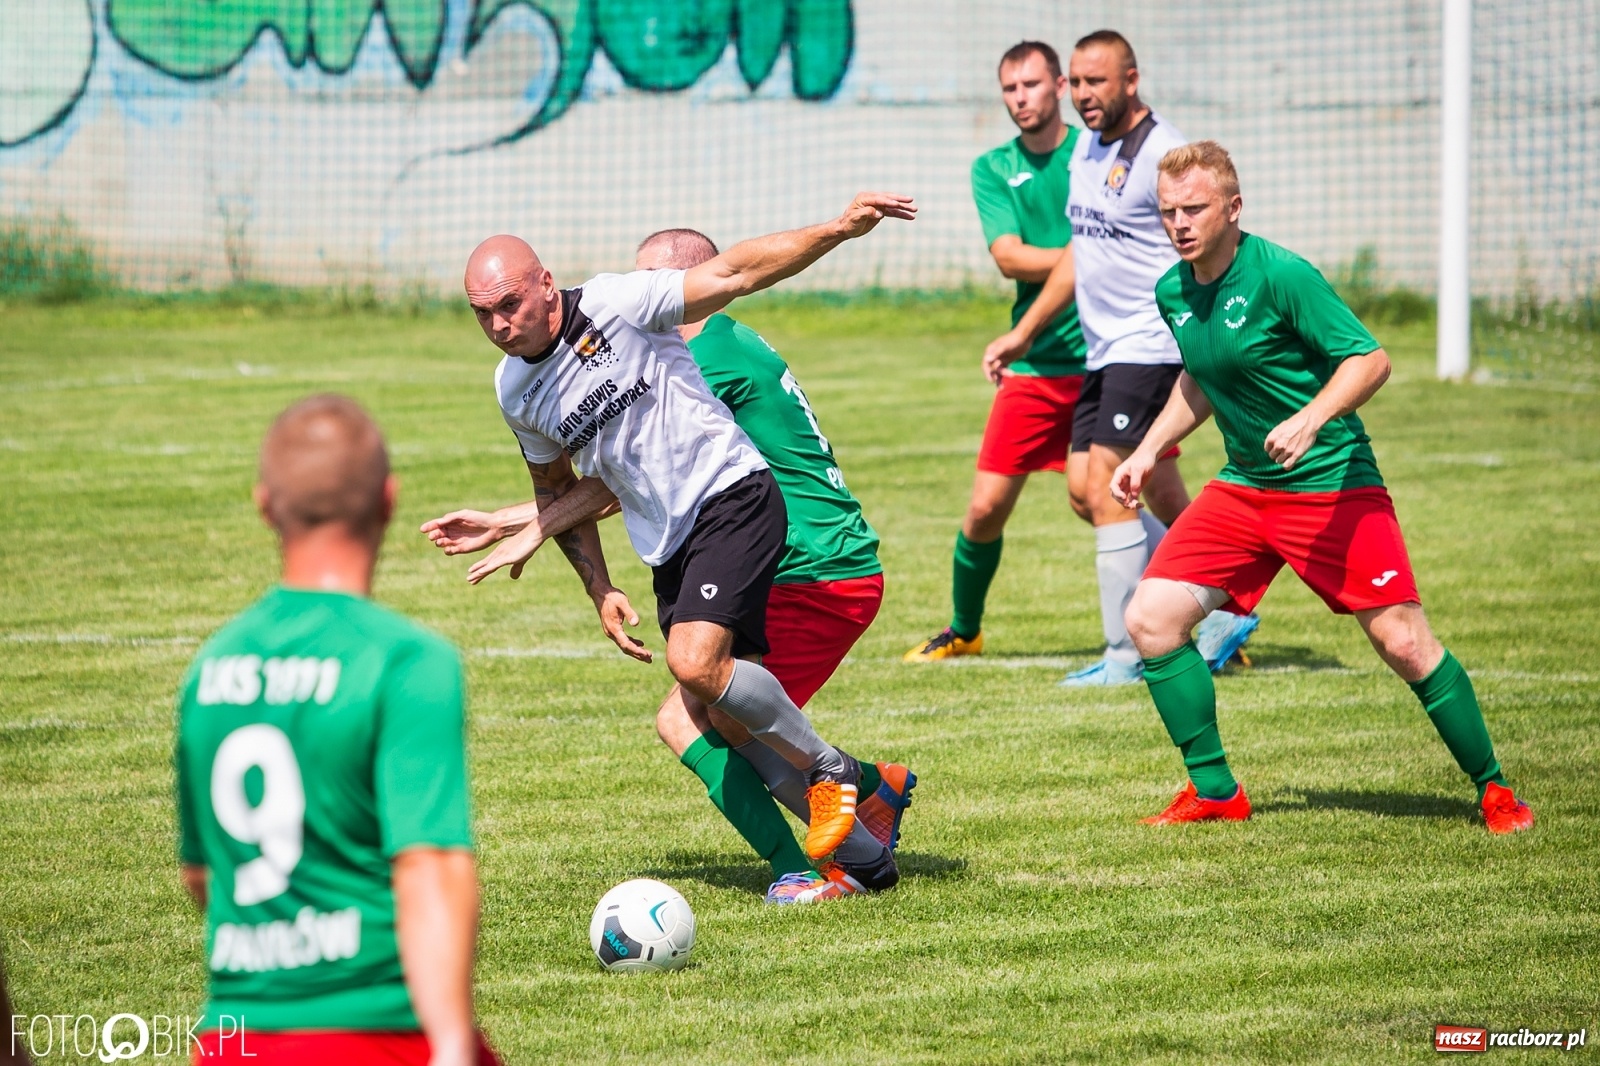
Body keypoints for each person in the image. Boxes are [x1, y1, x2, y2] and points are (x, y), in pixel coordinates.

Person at [423, 228, 917, 904]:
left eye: (652, 283)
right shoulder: (522, 386)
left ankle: (838, 789)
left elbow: (632, 466)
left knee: (698, 683)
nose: (497, 324)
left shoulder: (686, 343)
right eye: (482, 312)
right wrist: (590, 578)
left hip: (807, 562)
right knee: (713, 718)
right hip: (697, 542)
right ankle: (865, 850)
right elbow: (616, 468)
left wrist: (524, 526)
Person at [1112, 141, 1533, 833]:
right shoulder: (1173, 290)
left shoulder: (1282, 275)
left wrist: (1311, 417)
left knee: (1403, 643)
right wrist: (1149, 451)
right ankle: (1216, 791)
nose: (1179, 224)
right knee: (1151, 619)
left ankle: (1495, 792)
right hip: (1246, 487)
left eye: (1194, 209)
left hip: (1331, 482)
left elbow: (1371, 359)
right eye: (1167, 213)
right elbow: (1202, 375)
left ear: (1234, 207)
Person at [174, 395, 500, 1065]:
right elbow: (430, 866)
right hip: (377, 1030)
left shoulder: (210, 669)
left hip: (235, 1037)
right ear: (388, 501)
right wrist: (449, 1047)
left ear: (266, 506)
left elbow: (201, 874)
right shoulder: (405, 661)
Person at [983, 30, 1259, 685]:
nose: (1082, 95)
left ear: (1130, 80)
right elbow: (1085, 250)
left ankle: (1125, 654)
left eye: (1095, 82)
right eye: (1075, 82)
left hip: (1152, 344)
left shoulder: (1166, 150)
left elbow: (1219, 237)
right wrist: (1025, 334)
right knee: (1094, 493)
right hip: (1105, 351)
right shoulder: (1087, 150)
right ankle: (1216, 598)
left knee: (1111, 489)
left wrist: (1220, 328)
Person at [903, 40, 1094, 663]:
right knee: (984, 509)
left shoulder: (1095, 153)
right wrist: (1090, 257)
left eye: (1032, 85)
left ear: (1061, 86)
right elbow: (1008, 254)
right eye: (1009, 89)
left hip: (1109, 361)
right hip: (1036, 367)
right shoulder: (993, 167)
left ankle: (1225, 619)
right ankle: (965, 630)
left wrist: (1089, 260)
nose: (1020, 99)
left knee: (1136, 499)